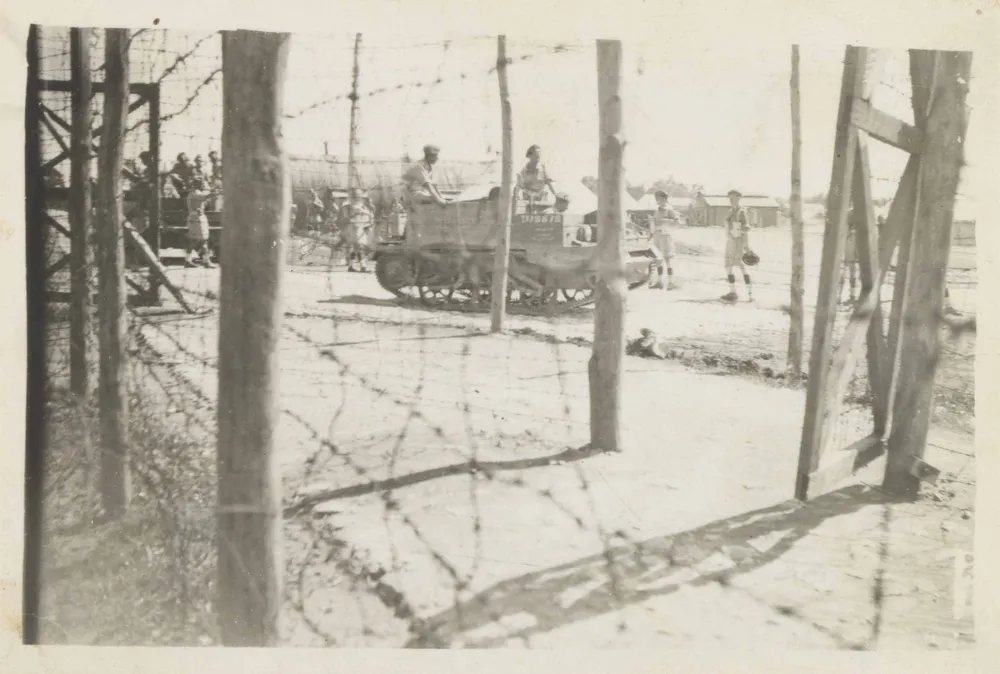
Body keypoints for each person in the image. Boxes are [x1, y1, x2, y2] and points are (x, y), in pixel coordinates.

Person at [722, 189, 753, 302]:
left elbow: (747, 227)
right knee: (728, 266)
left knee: (742, 267)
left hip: (739, 242)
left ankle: (750, 294)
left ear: (739, 198)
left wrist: (746, 245)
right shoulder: (730, 211)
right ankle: (732, 292)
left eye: (734, 197)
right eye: (730, 198)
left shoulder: (742, 212)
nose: (731, 200)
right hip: (730, 242)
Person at [649, 190, 679, 290]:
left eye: (660, 199)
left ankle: (671, 283)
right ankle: (659, 282)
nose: (658, 201)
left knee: (667, 259)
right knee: (658, 259)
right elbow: (654, 224)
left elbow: (677, 223)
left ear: (665, 199)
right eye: (657, 199)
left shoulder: (670, 210)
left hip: (665, 236)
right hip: (657, 236)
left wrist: (666, 222)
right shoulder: (656, 211)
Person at [185, 177, 216, 268]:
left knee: (200, 240)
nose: (202, 184)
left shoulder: (196, 192)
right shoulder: (195, 192)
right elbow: (204, 197)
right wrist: (213, 192)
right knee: (199, 240)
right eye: (200, 183)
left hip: (198, 218)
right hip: (196, 218)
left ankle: (204, 261)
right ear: (196, 184)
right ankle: (204, 261)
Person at [517, 144, 556, 212]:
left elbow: (549, 183)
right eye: (536, 156)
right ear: (530, 156)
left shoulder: (543, 169)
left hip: (542, 201)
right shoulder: (523, 172)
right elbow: (518, 186)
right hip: (527, 203)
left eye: (539, 156)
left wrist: (556, 195)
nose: (538, 158)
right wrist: (516, 195)